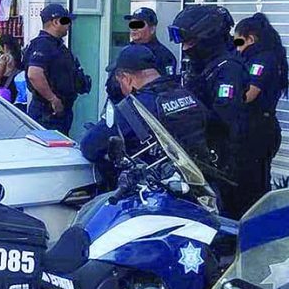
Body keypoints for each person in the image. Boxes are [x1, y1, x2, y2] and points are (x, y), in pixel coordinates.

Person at [81, 45, 210, 186]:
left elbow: (90, 146)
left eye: (119, 82)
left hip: (158, 190)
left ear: (126, 78)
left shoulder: (133, 108)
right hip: (202, 184)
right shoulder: (185, 94)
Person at [168, 4, 253, 219]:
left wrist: (187, 113)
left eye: (190, 41)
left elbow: (223, 117)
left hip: (222, 156)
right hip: (197, 154)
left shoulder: (228, 68)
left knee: (223, 216)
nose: (185, 48)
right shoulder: (200, 65)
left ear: (208, 37)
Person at [234, 13, 286, 200]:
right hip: (257, 127)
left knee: (253, 186)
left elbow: (249, 95)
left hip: (257, 129)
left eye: (238, 40)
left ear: (250, 39)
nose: (236, 46)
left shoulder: (261, 59)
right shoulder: (264, 56)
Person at [25, 3, 81, 134]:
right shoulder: (44, 44)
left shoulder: (55, 45)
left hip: (57, 111)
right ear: (55, 22)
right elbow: (34, 74)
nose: (69, 25)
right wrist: (53, 99)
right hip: (47, 113)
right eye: (66, 21)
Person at [106, 7, 177, 103]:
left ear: (152, 29)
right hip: (120, 104)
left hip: (146, 107)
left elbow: (167, 88)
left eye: (139, 25)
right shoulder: (126, 52)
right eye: (132, 25)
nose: (134, 29)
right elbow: (112, 83)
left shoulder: (164, 55)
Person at [0, 34, 23, 103]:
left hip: (6, 85)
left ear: (4, 46)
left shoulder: (4, 57)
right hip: (15, 85)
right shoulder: (18, 56)